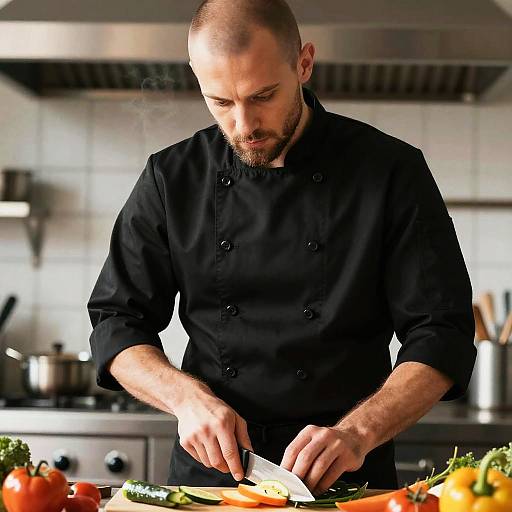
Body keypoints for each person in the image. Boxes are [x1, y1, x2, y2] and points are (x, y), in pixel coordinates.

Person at [88, 0, 476, 494]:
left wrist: (358, 433)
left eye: (263, 95)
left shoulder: (391, 173)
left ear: (304, 64)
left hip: (347, 474)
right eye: (221, 102)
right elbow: (116, 322)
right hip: (213, 480)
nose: (244, 125)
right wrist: (186, 400)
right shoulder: (172, 178)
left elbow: (441, 333)